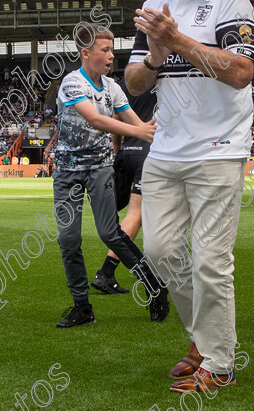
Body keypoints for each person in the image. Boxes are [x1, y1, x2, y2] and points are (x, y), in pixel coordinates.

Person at [126, 0, 254, 393]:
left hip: (218, 150)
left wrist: (178, 41)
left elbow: (241, 72)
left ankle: (220, 364)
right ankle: (202, 341)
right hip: (165, 149)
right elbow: (136, 83)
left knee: (211, 261)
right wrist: (157, 54)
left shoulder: (231, 1)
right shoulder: (156, 8)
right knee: (161, 252)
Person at [52, 24, 169, 328]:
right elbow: (95, 119)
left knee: (109, 232)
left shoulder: (113, 87)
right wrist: (139, 130)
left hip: (100, 168)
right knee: (68, 238)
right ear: (86, 53)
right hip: (67, 171)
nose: (111, 55)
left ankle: (154, 286)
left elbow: (136, 122)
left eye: (111, 49)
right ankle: (82, 306)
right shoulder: (71, 83)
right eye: (105, 50)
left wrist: (153, 129)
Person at [90, 86, 156, 295]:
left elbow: (115, 119)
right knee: (136, 215)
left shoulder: (130, 86)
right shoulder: (167, 84)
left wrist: (119, 151)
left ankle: (107, 272)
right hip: (149, 154)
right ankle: (106, 273)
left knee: (123, 210)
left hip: (127, 153)